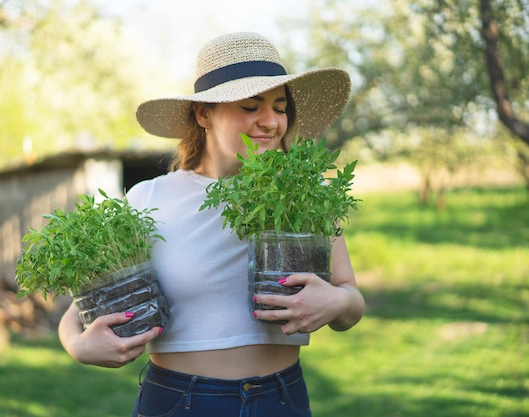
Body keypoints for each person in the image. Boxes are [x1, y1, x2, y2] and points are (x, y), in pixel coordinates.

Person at [58, 31, 365, 417]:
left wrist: (336, 302)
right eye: (251, 106)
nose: (270, 121)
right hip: (178, 401)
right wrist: (77, 346)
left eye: (280, 106)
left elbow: (350, 297)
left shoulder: (306, 194)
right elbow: (79, 309)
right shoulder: (149, 199)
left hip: (281, 399)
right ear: (204, 114)